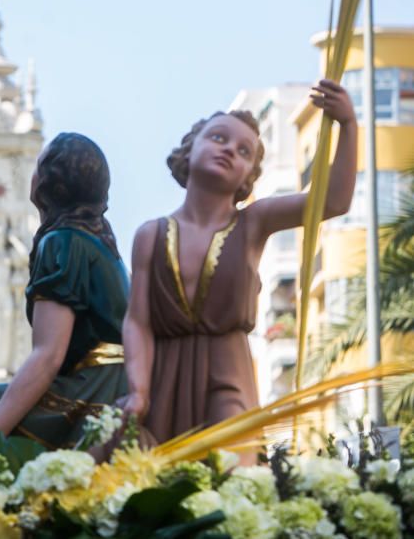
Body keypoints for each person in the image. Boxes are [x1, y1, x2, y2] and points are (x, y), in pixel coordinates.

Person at [121, 80, 357, 446]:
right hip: (163, 379)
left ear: (249, 177)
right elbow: (138, 321)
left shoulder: (252, 223)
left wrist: (348, 125)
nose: (230, 149)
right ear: (191, 146)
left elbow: (333, 202)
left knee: (234, 470)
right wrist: (138, 389)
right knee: (151, 479)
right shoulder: (150, 235)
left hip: (227, 374)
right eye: (218, 138)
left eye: (244, 151)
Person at [0, 133, 129, 451]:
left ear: (49, 183)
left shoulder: (62, 242)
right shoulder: (102, 243)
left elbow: (48, 355)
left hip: (87, 395)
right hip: (117, 386)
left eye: (38, 165)